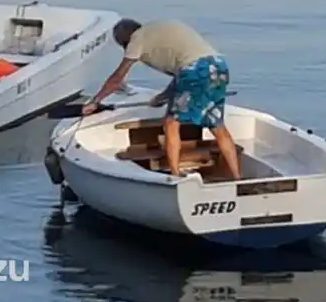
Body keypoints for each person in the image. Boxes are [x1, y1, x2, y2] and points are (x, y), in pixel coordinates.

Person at [83, 18, 241, 180]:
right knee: (217, 126)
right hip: (218, 67)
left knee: (171, 124)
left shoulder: (137, 38)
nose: (125, 49)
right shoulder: (157, 30)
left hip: (195, 71)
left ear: (126, 39)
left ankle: (175, 175)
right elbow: (182, 73)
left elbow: (117, 78)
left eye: (123, 45)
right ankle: (236, 177)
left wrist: (96, 101)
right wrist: (163, 96)